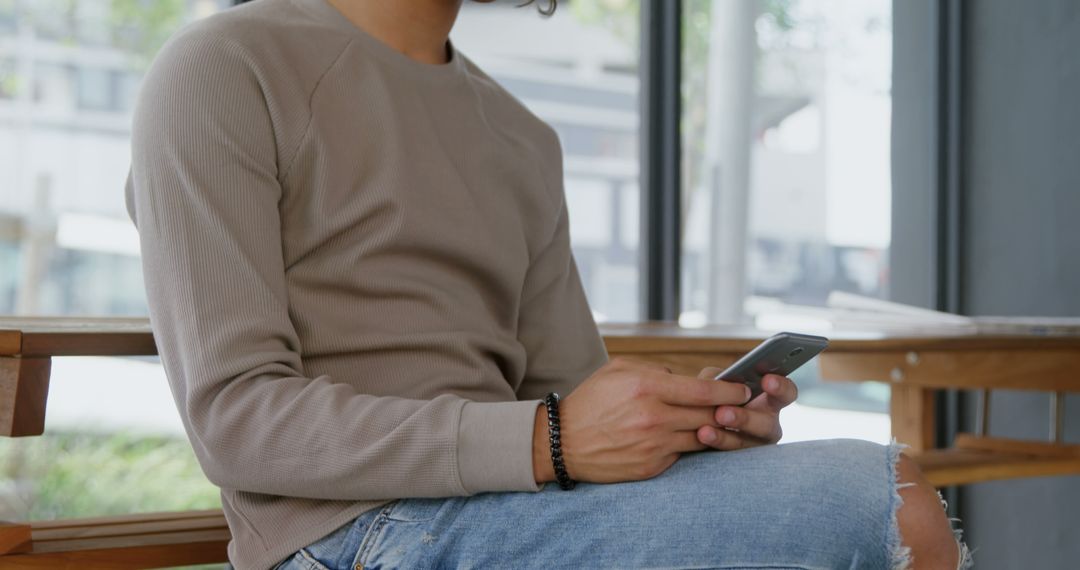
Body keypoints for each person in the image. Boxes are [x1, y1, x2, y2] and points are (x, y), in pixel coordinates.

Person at [126, 0, 971, 568]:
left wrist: (686, 430)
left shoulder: (519, 135)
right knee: (888, 503)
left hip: (506, 501)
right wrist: (548, 442)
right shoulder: (221, 69)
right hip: (348, 535)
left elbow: (566, 396)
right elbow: (236, 421)